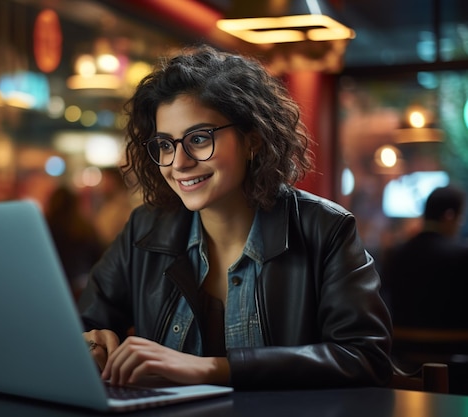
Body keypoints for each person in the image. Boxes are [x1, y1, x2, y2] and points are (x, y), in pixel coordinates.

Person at [78, 45, 392, 390]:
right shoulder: (146, 228)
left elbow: (365, 358)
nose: (178, 163)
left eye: (198, 139)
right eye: (165, 145)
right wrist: (91, 342)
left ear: (252, 140)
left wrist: (212, 369)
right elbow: (83, 323)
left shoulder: (325, 229)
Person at [383, 185, 468, 329]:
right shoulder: (462, 255)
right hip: (453, 344)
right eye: (460, 219)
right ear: (449, 216)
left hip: (402, 345)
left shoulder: (396, 253)